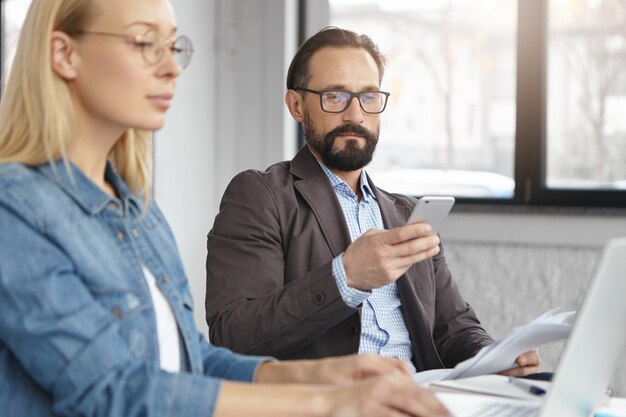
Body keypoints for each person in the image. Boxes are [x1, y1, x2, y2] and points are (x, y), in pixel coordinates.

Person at [0, 2, 451, 416]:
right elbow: (112, 389)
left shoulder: (137, 211)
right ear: (64, 54)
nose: (172, 67)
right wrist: (328, 401)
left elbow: (187, 357)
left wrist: (314, 374)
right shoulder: (14, 209)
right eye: (144, 43)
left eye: (173, 46)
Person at [205, 27, 541, 375]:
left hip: (421, 396)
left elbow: (453, 329)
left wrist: (495, 357)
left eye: (368, 97)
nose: (355, 115)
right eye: (334, 97)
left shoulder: (406, 213)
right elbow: (234, 337)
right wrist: (345, 277)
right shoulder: (262, 197)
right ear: (296, 106)